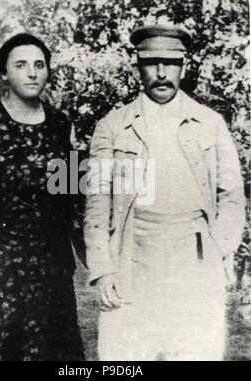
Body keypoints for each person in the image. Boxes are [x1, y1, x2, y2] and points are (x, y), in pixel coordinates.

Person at [84, 24, 245, 361]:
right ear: (136, 68)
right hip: (132, 260)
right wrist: (103, 268)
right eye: (151, 63)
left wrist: (222, 251)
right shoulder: (111, 126)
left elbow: (231, 197)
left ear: (183, 67)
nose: (161, 73)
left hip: (195, 267)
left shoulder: (210, 123)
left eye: (170, 63)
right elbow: (96, 205)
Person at [0, 33, 84, 361]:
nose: (32, 73)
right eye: (21, 65)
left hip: (51, 272)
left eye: (39, 65)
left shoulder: (62, 127)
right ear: (4, 73)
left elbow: (69, 197)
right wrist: (0, 229)